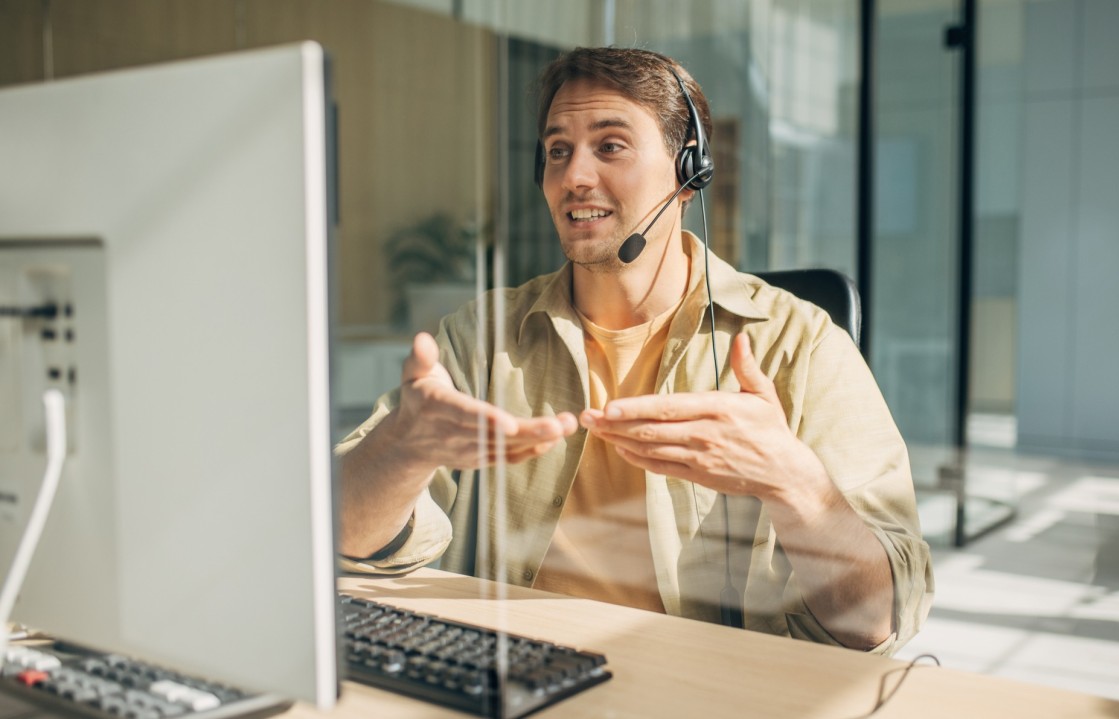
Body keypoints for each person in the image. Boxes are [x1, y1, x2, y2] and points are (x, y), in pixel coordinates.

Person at [336, 47, 932, 654]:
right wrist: (401, 448)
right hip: (509, 674)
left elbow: (878, 619)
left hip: (703, 685)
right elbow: (337, 532)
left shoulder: (799, 344)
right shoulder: (483, 338)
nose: (574, 176)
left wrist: (791, 479)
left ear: (688, 172)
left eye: (610, 145)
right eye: (558, 151)